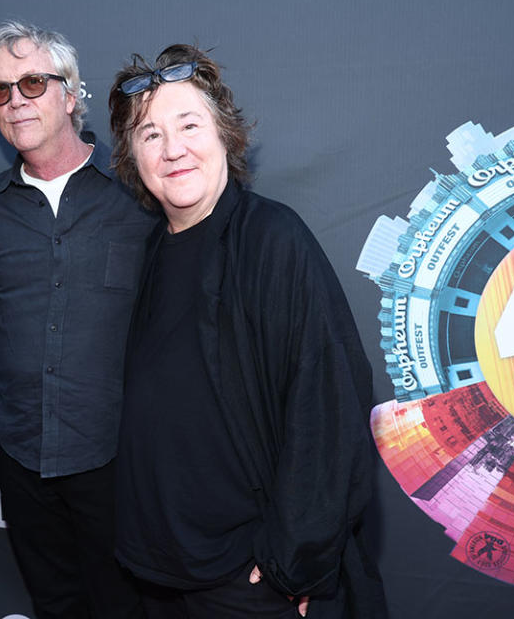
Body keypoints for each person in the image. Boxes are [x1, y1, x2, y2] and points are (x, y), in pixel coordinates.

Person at [107, 45, 386, 618]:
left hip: (246, 580)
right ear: (132, 157)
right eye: (150, 135)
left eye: (189, 125)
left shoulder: (272, 240)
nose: (173, 149)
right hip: (155, 571)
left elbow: (328, 409)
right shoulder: (153, 248)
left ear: (225, 135)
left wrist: (292, 562)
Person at [0, 22, 155, 618]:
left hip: (122, 459)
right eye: (0, 90)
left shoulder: (141, 191)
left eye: (32, 82)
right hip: (22, 462)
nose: (16, 99)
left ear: (72, 94)